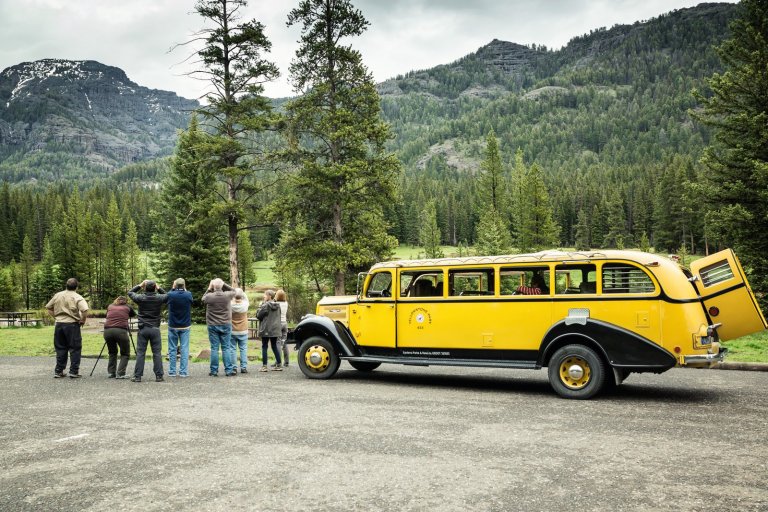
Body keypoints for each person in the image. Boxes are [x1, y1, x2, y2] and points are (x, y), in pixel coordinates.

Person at [46, 278, 89, 378]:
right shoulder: (77, 297)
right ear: (76, 287)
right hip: (72, 325)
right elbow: (85, 310)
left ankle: (59, 371)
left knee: (60, 348)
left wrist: (56, 316)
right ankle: (74, 371)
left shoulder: (58, 295)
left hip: (59, 324)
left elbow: (48, 307)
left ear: (66, 285)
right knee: (75, 348)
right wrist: (82, 320)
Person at [128, 280, 168, 383]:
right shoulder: (159, 298)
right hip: (155, 328)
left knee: (141, 353)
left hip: (143, 328)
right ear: (154, 288)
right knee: (157, 353)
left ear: (145, 288)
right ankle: (159, 376)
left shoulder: (140, 298)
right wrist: (159, 288)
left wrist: (140, 285)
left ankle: (137, 376)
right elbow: (167, 296)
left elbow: (130, 292)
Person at [201, 278, 237, 377]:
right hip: (226, 324)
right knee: (226, 348)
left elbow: (203, 298)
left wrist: (209, 288)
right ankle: (229, 371)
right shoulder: (227, 295)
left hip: (213, 325)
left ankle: (214, 371)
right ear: (222, 286)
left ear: (213, 286)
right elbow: (235, 291)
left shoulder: (209, 296)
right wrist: (223, 284)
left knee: (214, 348)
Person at [103, 296, 136, 379]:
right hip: (121, 331)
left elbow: (107, 314)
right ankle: (121, 373)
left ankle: (111, 373)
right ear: (126, 301)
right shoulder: (128, 307)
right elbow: (133, 314)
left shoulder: (110, 306)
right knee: (125, 353)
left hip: (107, 331)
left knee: (112, 352)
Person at [166, 278, 193, 378]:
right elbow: (191, 300)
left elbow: (167, 296)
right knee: (184, 349)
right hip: (185, 326)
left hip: (173, 325)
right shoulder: (188, 294)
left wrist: (173, 288)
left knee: (172, 349)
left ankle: (172, 372)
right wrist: (183, 288)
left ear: (175, 285)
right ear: (184, 285)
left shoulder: (171, 294)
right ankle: (183, 372)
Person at [256, 289, 282, 372]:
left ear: (269, 296)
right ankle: (279, 364)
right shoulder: (278, 305)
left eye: (265, 295)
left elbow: (259, 316)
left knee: (264, 346)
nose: (264, 296)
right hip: (275, 329)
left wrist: (259, 306)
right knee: (274, 346)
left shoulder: (265, 305)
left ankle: (264, 366)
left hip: (266, 328)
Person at [230, 288, 250, 374]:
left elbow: (230, 298)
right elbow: (246, 297)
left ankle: (234, 367)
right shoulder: (245, 305)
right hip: (243, 330)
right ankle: (243, 367)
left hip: (232, 330)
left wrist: (232, 294)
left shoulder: (230, 305)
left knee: (232, 349)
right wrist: (241, 292)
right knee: (243, 349)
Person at [275, 289, 289, 368]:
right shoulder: (286, 303)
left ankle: (278, 362)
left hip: (278, 324)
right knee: (284, 343)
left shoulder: (276, 304)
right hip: (285, 323)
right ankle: (286, 362)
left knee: (278, 343)